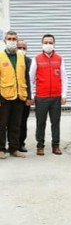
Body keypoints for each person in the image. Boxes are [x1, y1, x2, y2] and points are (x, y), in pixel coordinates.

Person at [29, 34, 68, 155]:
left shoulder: (59, 59)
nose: (48, 45)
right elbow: (31, 79)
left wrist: (64, 94)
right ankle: (40, 146)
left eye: (50, 42)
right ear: (42, 44)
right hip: (41, 97)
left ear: (54, 44)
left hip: (56, 97)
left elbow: (64, 78)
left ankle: (56, 145)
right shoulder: (36, 59)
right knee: (41, 122)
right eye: (45, 42)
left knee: (55, 122)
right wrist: (32, 95)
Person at [0, 31, 31, 159]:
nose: (12, 41)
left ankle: (14, 148)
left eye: (14, 39)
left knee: (15, 125)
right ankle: (1, 149)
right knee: (2, 125)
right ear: (5, 41)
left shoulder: (21, 57)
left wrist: (28, 96)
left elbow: (26, 77)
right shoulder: (1, 57)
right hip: (4, 96)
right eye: (9, 39)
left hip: (19, 96)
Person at [17, 40, 31, 152]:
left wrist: (30, 97)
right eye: (19, 48)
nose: (22, 50)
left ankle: (21, 143)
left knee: (23, 121)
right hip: (10, 96)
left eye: (24, 48)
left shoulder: (29, 61)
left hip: (25, 96)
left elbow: (31, 81)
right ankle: (9, 144)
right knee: (8, 122)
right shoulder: (9, 60)